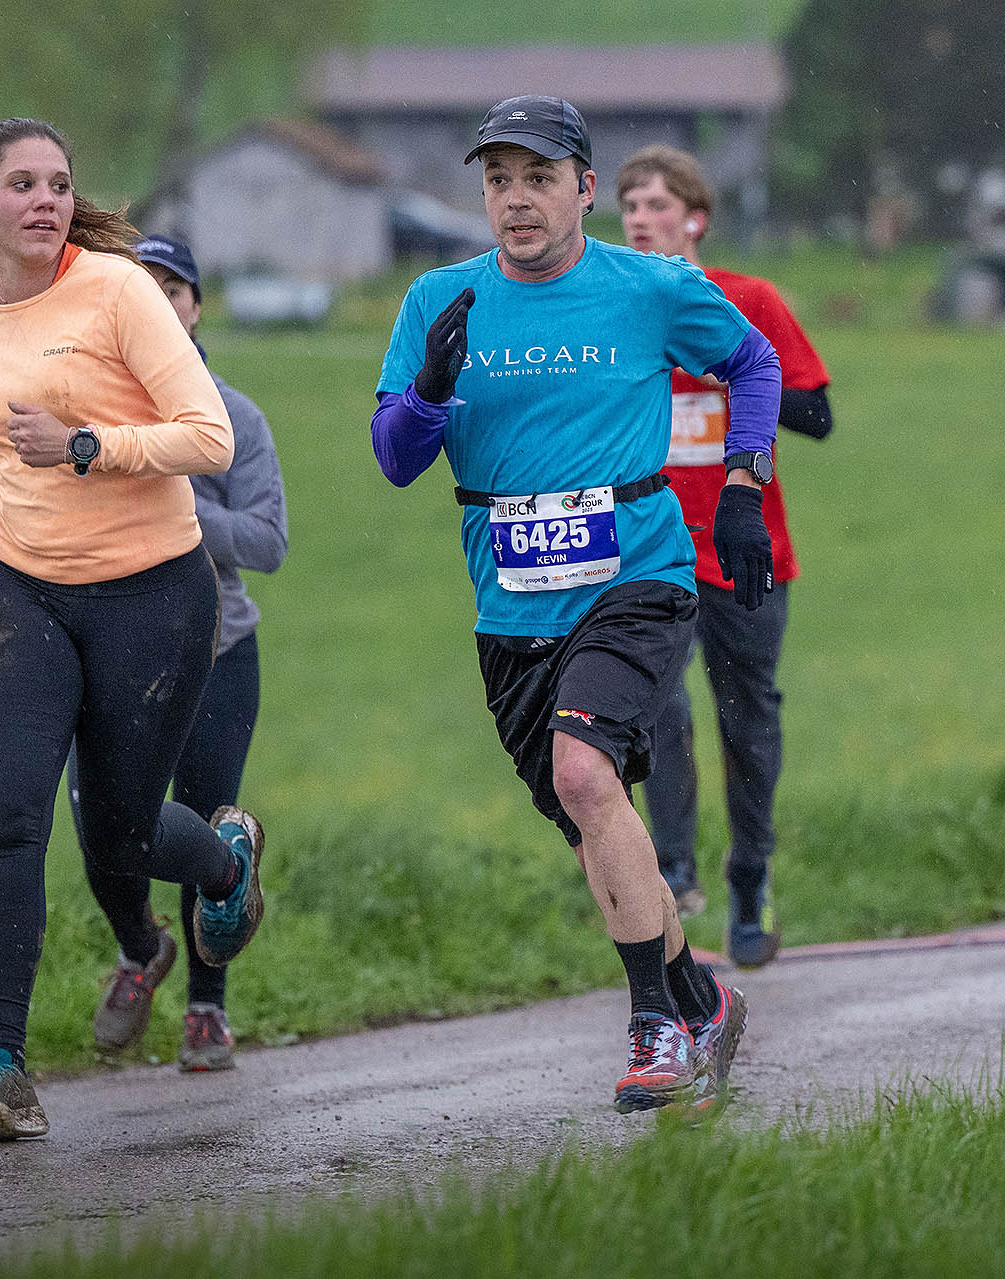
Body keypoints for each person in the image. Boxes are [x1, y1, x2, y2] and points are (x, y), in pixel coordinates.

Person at [370, 97, 774, 1115]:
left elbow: (752, 361)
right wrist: (427, 390)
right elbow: (395, 460)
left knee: (585, 773)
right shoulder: (439, 300)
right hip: (511, 607)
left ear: (585, 189)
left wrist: (743, 485)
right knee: (598, 822)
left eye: (539, 178)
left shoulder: (650, 287)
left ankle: (655, 1027)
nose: (517, 199)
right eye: (499, 180)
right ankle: (703, 1003)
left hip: (637, 575)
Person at [0, 119, 265, 1142]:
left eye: (59, 183)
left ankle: (226, 865)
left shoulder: (118, 291)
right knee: (10, 818)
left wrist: (88, 444)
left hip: (154, 594)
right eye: (23, 184)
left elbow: (207, 436)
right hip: (23, 591)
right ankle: (2, 1069)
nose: (46, 200)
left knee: (119, 836)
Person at [69, 235, 288, 1071]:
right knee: (99, 822)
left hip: (218, 648)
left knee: (207, 822)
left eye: (174, 287)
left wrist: (178, 488)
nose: (159, 301)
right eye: (142, 286)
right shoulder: (85, 406)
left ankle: (207, 1008)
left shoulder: (236, 417)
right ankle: (140, 948)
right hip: (107, 647)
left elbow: (267, 541)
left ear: (196, 307)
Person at [616, 144, 834, 966]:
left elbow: (817, 415)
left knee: (748, 720)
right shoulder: (617, 307)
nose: (641, 220)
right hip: (649, 550)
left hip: (746, 548)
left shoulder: (748, 301)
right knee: (655, 702)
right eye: (630, 207)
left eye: (658, 206)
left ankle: (751, 874)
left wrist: (736, 381)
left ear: (696, 219)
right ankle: (673, 867)